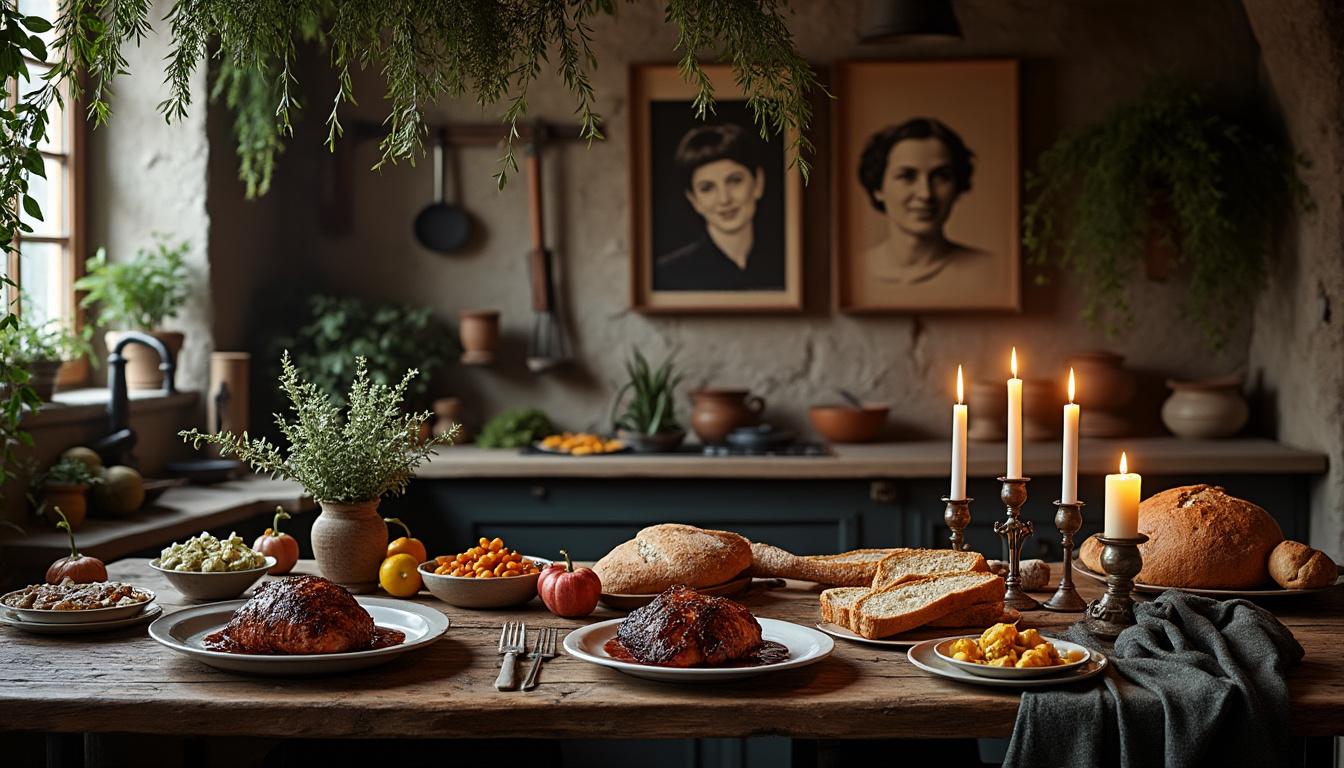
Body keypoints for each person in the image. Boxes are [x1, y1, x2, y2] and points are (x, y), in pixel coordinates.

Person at [857, 117, 992, 286]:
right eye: (907, 176)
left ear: (958, 186)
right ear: (878, 188)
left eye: (941, 176)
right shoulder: (856, 273)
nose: (926, 194)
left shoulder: (988, 271)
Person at [654, 124, 783, 291]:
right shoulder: (667, 273)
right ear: (694, 200)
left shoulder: (788, 262)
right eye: (707, 188)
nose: (724, 199)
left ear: (758, 183)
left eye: (735, 180)